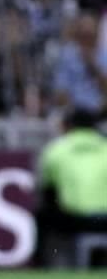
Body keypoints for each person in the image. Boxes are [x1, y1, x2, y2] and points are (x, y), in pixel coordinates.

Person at [35, 109, 107, 267]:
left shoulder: (56, 150)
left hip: (75, 219)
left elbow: (46, 189)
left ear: (69, 126)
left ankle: (41, 266)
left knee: (41, 214)